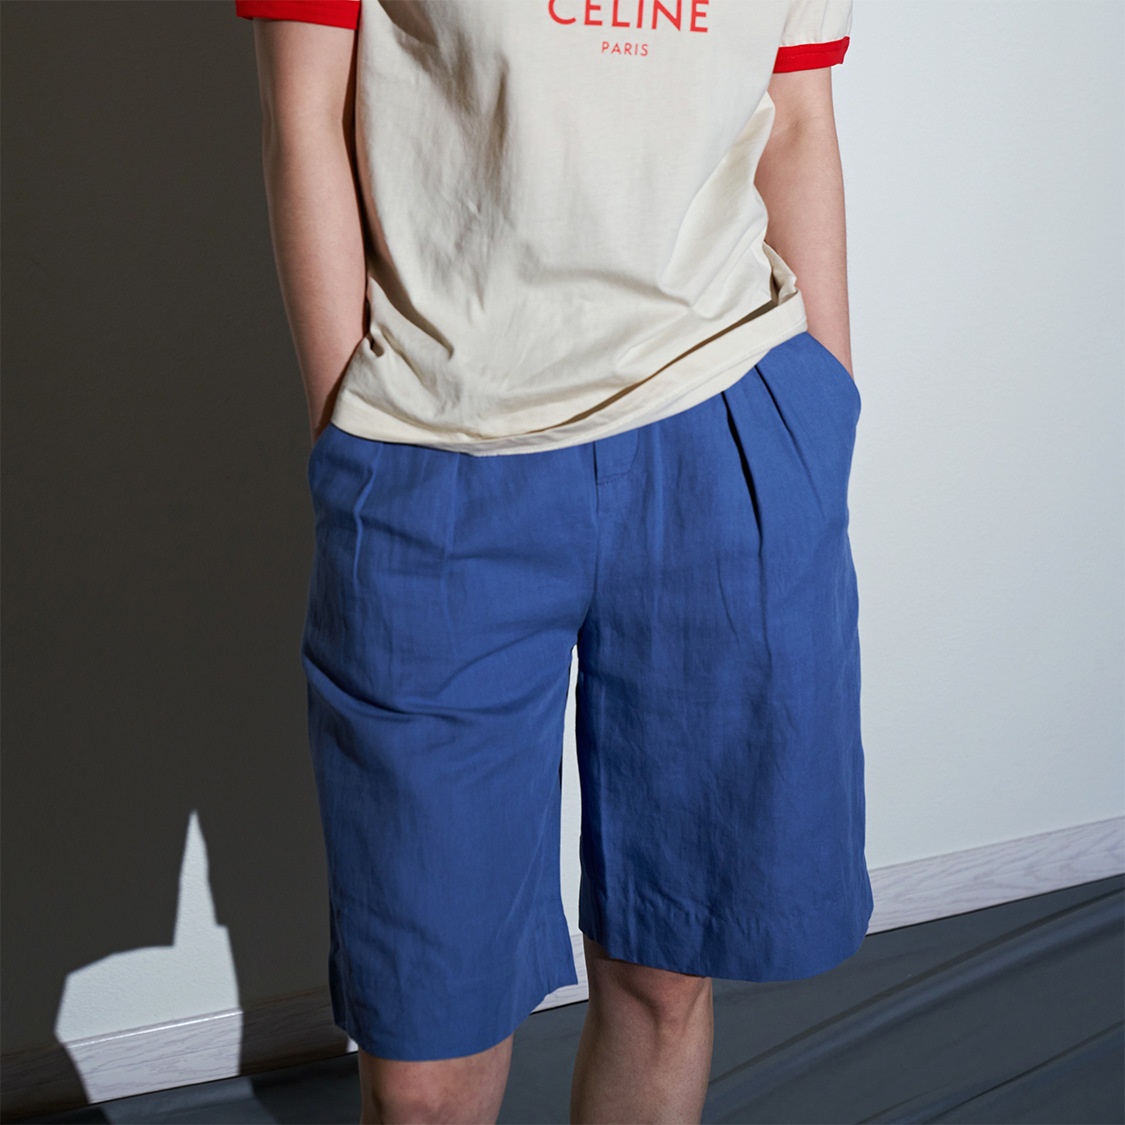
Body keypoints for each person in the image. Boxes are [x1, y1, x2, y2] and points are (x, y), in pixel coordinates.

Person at [236, 1, 873, 1121]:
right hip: (440, 453)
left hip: (719, 427)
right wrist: (348, 433)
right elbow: (305, 116)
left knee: (666, 970)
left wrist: (824, 408)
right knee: (426, 1060)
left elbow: (799, 117)